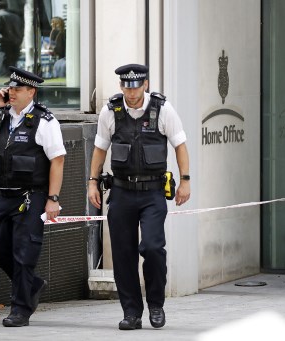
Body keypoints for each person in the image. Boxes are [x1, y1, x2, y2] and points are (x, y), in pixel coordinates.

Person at [87, 63, 191, 331]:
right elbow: (100, 149)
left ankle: (156, 304)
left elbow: (180, 145)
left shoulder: (162, 109)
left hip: (153, 193)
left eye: (135, 87)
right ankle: (131, 312)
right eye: (126, 87)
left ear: (145, 84)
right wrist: (92, 183)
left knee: (153, 248)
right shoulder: (110, 111)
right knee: (123, 255)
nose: (130, 93)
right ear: (121, 86)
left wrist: (185, 181)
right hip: (121, 192)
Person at [0, 66, 66, 327]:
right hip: (3, 195)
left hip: (31, 196)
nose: (11, 92)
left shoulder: (45, 121)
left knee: (24, 253)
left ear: (31, 91)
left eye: (17, 89)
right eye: (10, 88)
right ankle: (32, 285)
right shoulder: (1, 117)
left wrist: (53, 199)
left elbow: (58, 160)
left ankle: (20, 309)